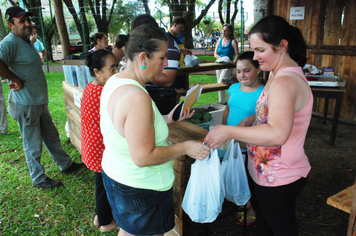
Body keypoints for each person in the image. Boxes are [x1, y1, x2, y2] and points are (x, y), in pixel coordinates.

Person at [204, 15, 313, 236]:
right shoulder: (275, 73)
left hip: (280, 176)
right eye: (253, 50)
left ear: (282, 46)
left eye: (260, 50)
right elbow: (274, 113)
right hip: (265, 171)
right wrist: (254, 119)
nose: (255, 57)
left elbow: (278, 133)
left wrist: (228, 130)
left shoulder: (284, 81)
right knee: (265, 225)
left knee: (281, 228)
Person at [100, 24, 210, 236]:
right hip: (142, 189)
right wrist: (185, 146)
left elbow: (127, 125)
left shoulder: (115, 80)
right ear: (143, 58)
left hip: (117, 177)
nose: (167, 63)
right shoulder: (137, 97)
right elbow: (144, 156)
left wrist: (167, 119)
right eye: (162, 57)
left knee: (129, 231)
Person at [0, 6, 85, 188]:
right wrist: (14, 79)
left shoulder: (26, 41)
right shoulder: (9, 43)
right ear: (10, 25)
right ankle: (38, 178)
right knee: (33, 144)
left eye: (27, 20)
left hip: (38, 102)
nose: (27, 24)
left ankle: (66, 164)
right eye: (21, 21)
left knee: (51, 135)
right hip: (25, 104)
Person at [222, 50, 264, 226]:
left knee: (250, 177)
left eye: (246, 70)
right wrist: (224, 130)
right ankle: (240, 202)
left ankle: (252, 207)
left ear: (259, 69)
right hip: (231, 142)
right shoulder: (233, 88)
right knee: (234, 173)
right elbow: (228, 109)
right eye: (238, 71)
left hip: (249, 145)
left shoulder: (263, 93)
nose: (241, 75)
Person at [81, 49, 119, 232]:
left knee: (101, 184)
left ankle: (99, 216)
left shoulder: (92, 87)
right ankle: (105, 222)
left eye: (117, 67)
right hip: (100, 149)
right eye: (112, 69)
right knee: (103, 187)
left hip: (92, 145)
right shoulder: (103, 92)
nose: (116, 73)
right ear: (97, 72)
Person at [214, 24, 239, 103]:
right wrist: (220, 58)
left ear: (230, 32)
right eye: (223, 30)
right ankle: (222, 101)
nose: (223, 32)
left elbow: (237, 54)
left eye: (226, 30)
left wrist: (235, 60)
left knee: (221, 82)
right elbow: (215, 54)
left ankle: (223, 102)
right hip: (219, 64)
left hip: (228, 65)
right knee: (218, 84)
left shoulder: (233, 41)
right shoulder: (219, 41)